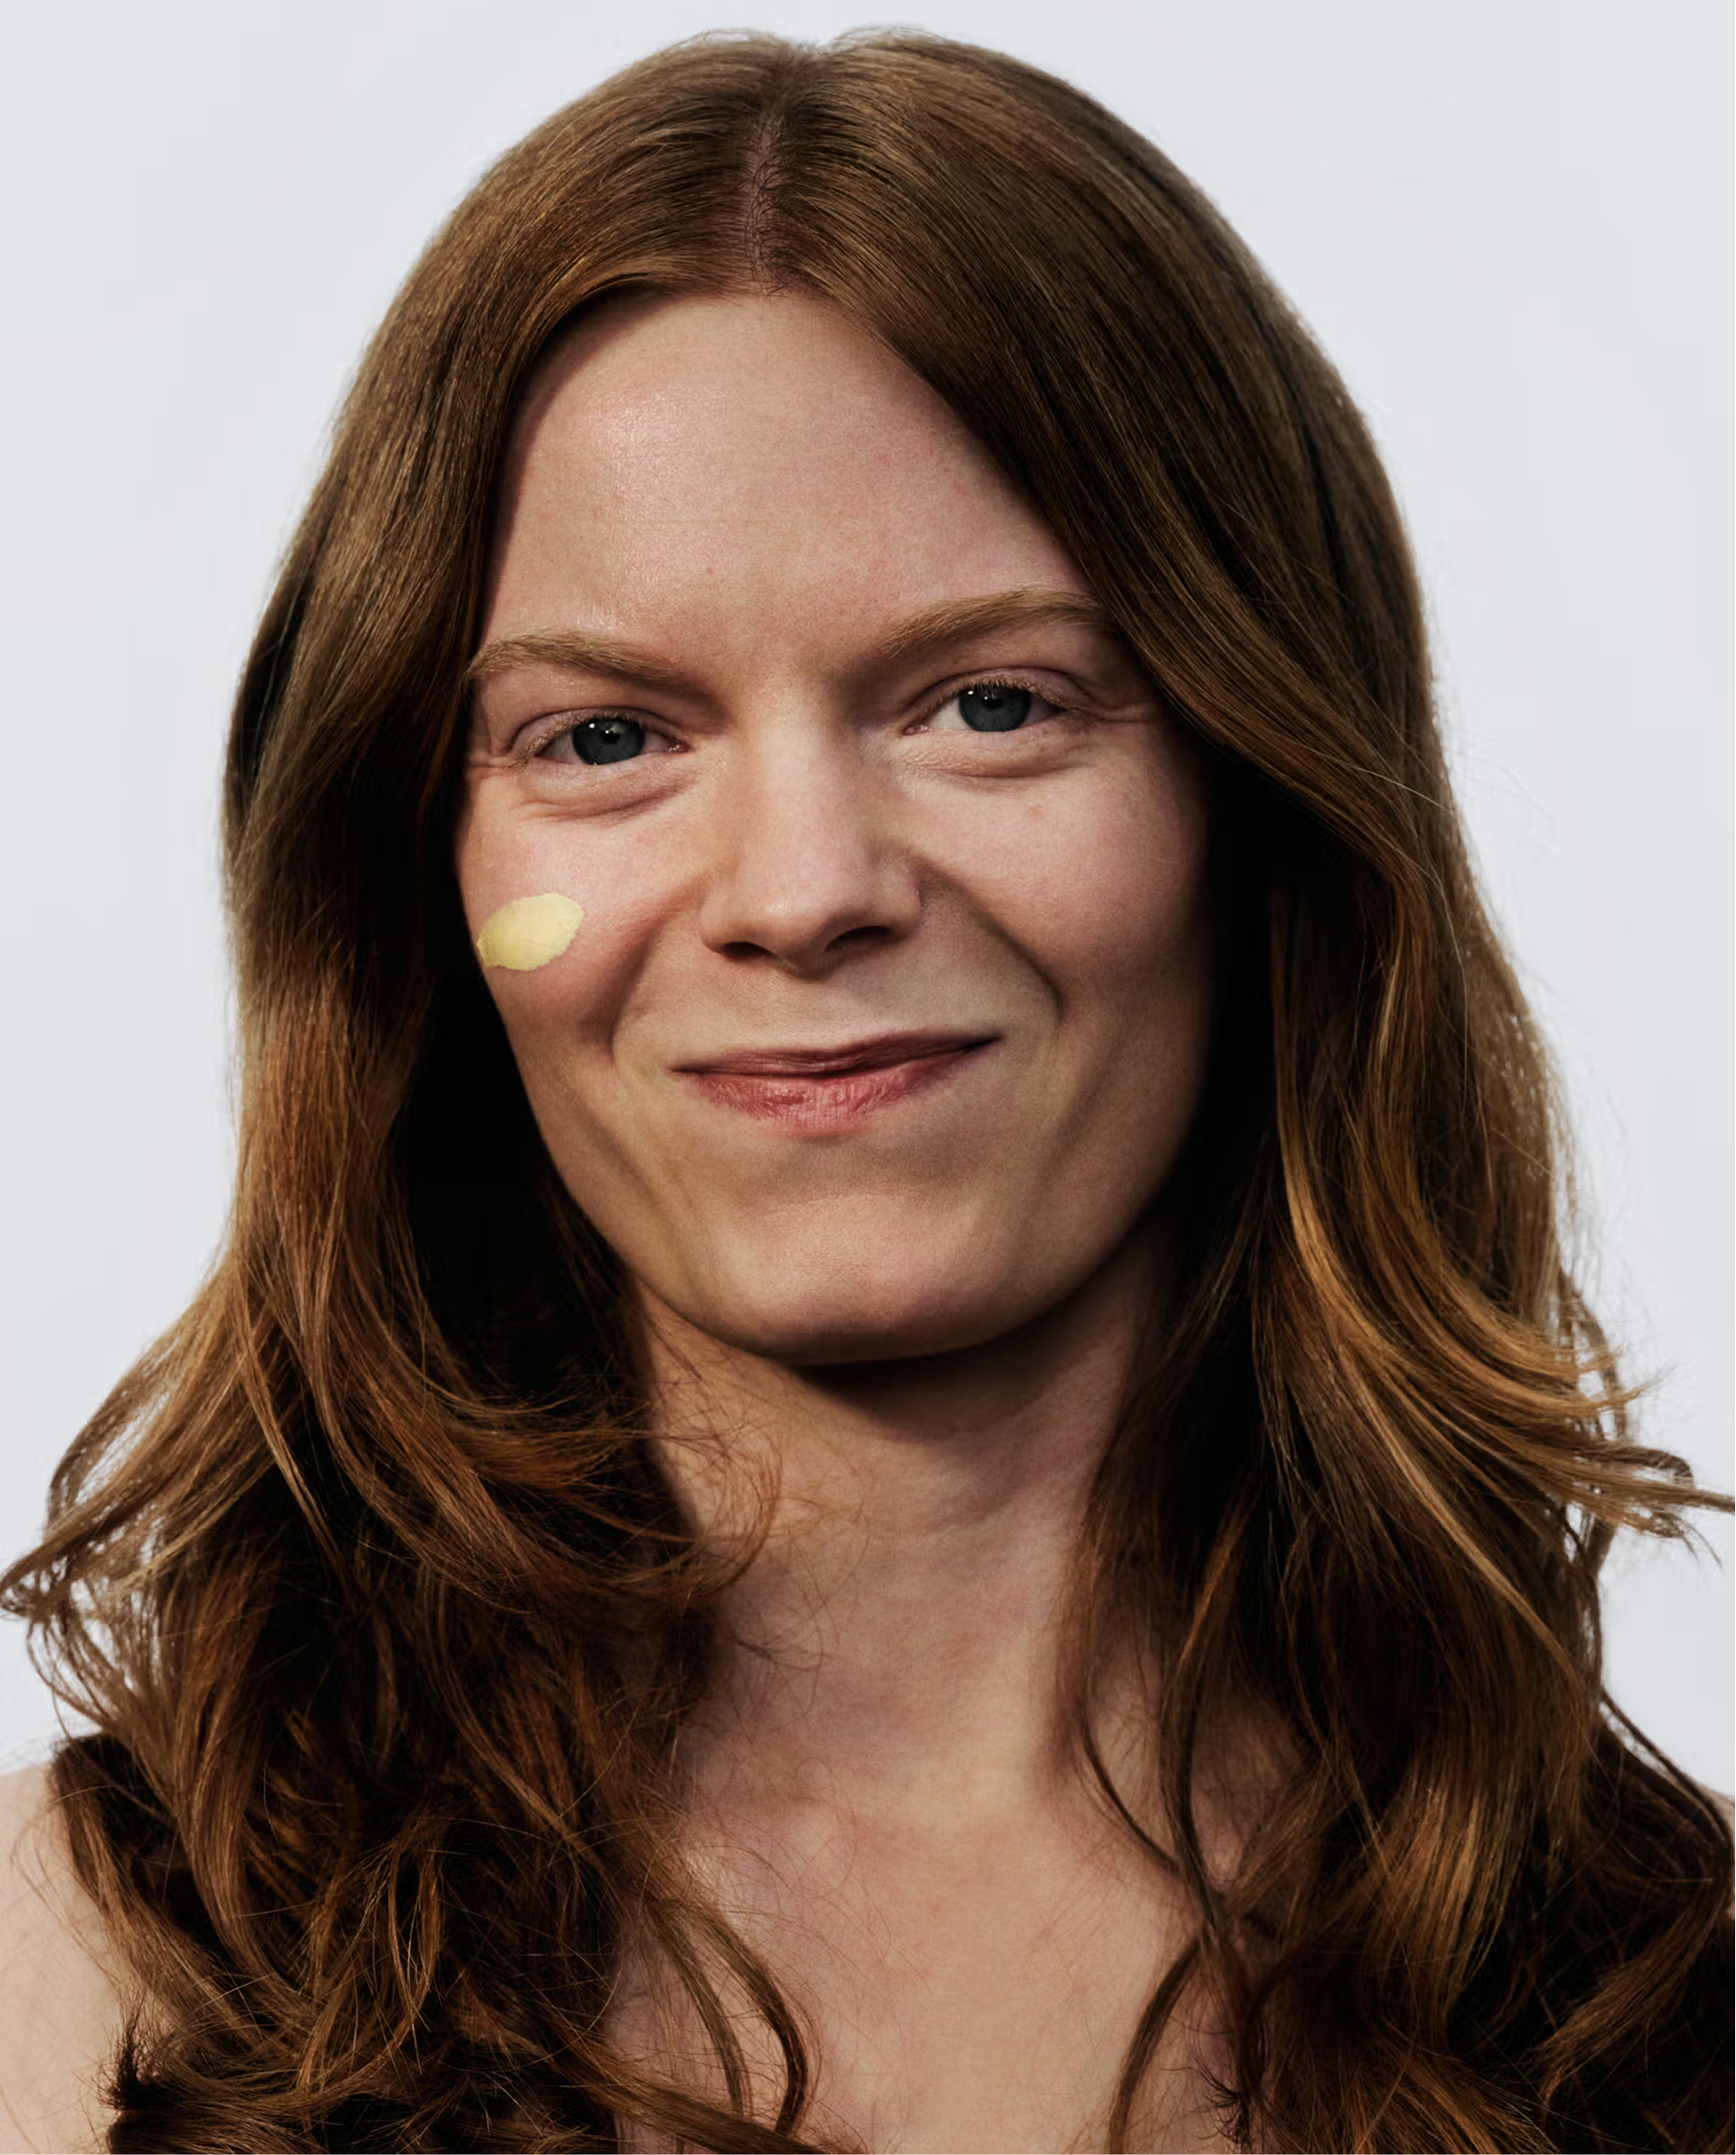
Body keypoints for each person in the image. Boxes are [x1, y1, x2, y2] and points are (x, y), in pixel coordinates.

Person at [0, 28, 1729, 2154]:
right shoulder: (67, 1973)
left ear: (1266, 805)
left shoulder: (1681, 2004)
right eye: (605, 739)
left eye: (993, 704)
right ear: (410, 874)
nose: (805, 889)